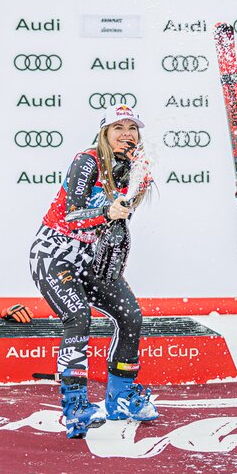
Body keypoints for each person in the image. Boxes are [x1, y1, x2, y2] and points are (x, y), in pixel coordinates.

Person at [29, 104, 158, 439]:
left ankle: (121, 397)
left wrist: (138, 183)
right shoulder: (87, 160)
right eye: (118, 128)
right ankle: (76, 406)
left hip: (89, 256)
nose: (127, 134)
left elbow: (120, 216)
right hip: (54, 253)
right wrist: (106, 210)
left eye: (132, 128)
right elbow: (72, 214)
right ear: (104, 134)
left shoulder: (129, 167)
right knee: (78, 316)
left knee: (130, 314)